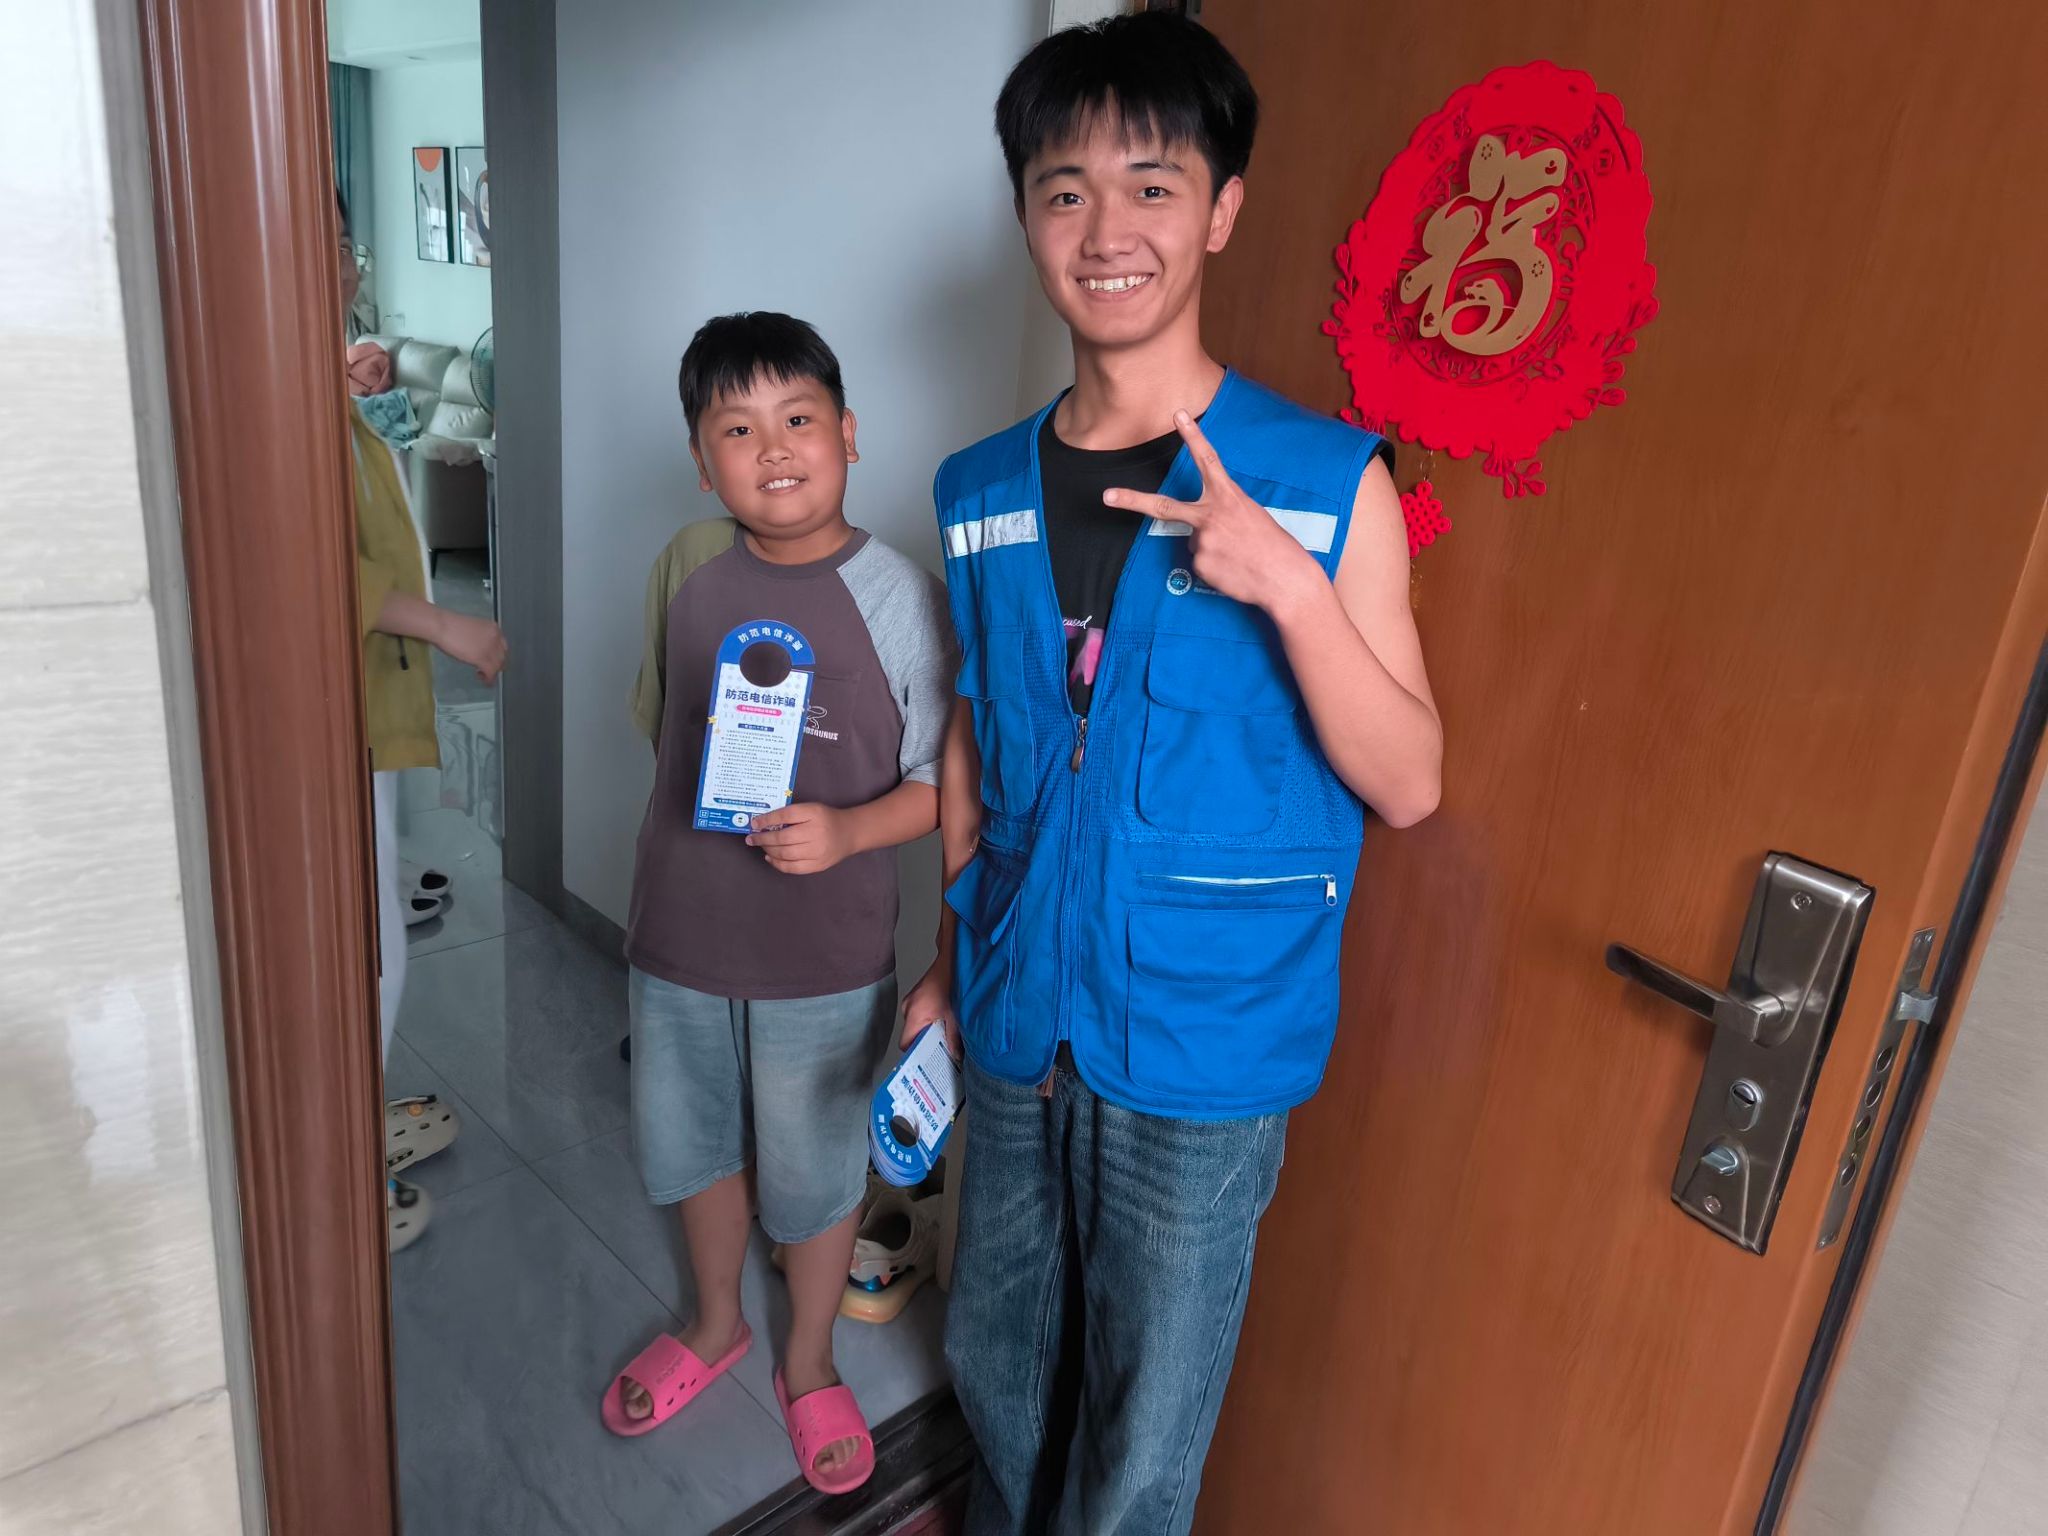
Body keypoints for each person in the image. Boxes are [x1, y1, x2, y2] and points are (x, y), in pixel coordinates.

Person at [901, 15, 1443, 1533]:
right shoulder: (977, 489)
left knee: (1142, 1443)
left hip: (1204, 1048)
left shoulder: (1326, 482)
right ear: (1025, 218)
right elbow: (981, 737)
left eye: (1152, 184)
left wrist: (1290, 591)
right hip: (1015, 1009)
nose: (1107, 229)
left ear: (1220, 210)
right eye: (1064, 189)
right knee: (996, 1364)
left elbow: (1409, 780)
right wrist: (945, 960)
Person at [602, 313, 955, 1496]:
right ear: (703, 463)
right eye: (737, 430)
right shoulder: (686, 566)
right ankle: (714, 1324)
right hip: (677, 939)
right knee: (691, 1144)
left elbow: (941, 782)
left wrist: (848, 830)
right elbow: (663, 729)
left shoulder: (899, 596)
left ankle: (808, 1359)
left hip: (824, 961)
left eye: (797, 419)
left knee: (813, 1170)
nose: (773, 449)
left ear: (847, 433)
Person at [336, 194, 510, 1250]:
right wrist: (448, 624)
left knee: (374, 927)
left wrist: (361, 397)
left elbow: (378, 505)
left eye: (348, 243)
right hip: (332, 707)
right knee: (369, 948)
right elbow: (318, 565)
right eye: (333, 243)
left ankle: (354, 1117)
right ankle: (340, 1166)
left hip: (372, 701)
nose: (348, 264)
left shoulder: (332, 376)